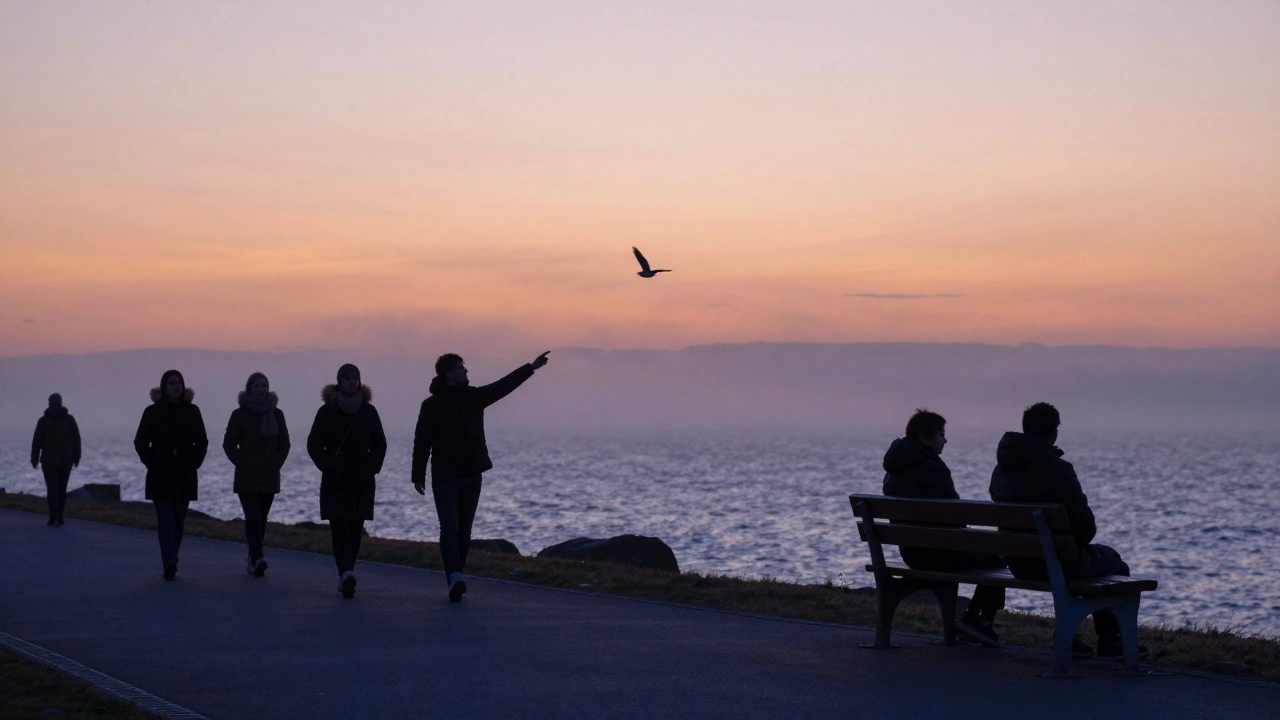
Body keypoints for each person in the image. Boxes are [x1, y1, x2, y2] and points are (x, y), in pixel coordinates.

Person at [989, 402, 1146, 659]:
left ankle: (1069, 634)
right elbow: (1086, 530)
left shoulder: (1001, 469)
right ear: (1054, 432)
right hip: (1052, 563)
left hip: (1018, 562)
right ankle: (1110, 641)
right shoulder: (1058, 469)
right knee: (1115, 563)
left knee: (1078, 559)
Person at [412, 351, 550, 602]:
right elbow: (422, 441)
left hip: (472, 474)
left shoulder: (474, 397)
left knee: (464, 531)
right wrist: (417, 475)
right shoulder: (431, 406)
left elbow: (503, 386)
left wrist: (531, 368)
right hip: (444, 476)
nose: (466, 371)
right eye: (461, 367)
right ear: (448, 374)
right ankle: (454, 576)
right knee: (449, 527)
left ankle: (458, 576)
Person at [882, 409, 1005, 646]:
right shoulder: (933, 468)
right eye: (941, 434)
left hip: (912, 553)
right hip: (939, 555)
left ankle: (976, 622)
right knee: (999, 554)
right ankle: (979, 620)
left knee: (989, 550)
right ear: (923, 437)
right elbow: (955, 519)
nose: (945, 440)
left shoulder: (893, 470)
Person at [307, 363, 386, 598]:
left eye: (355, 378)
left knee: (355, 527)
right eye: (347, 378)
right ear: (339, 382)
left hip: (362, 478)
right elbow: (313, 444)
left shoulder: (369, 411)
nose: (352, 382)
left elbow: (379, 443)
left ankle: (348, 571)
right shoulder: (327, 411)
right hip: (335, 478)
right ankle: (345, 572)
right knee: (339, 526)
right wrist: (327, 465)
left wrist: (372, 468)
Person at [133, 370, 208, 580]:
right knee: (165, 518)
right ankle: (169, 561)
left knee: (178, 520)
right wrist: (152, 462)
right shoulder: (152, 411)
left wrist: (194, 463)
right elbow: (140, 442)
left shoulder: (192, 411)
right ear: (164, 386)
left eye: (179, 383)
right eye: (172, 383)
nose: (176, 387)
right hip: (160, 474)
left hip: (184, 473)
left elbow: (202, 441)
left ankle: (172, 556)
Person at [223, 372, 290, 578]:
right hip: (247, 476)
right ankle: (259, 557)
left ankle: (253, 558)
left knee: (262, 519)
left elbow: (284, 443)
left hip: (269, 475)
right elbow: (228, 444)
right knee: (252, 517)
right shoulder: (239, 414)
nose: (260, 389)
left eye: (263, 386)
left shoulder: (276, 414)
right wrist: (242, 463)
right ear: (249, 389)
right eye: (256, 386)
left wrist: (275, 464)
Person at [30, 393, 82, 527]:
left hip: (49, 460)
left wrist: (34, 459)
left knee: (52, 489)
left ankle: (53, 516)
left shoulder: (43, 421)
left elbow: (37, 442)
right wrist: (77, 457)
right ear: (60, 402)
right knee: (62, 489)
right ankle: (60, 516)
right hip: (66, 460)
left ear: (49, 403)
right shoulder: (70, 420)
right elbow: (76, 440)